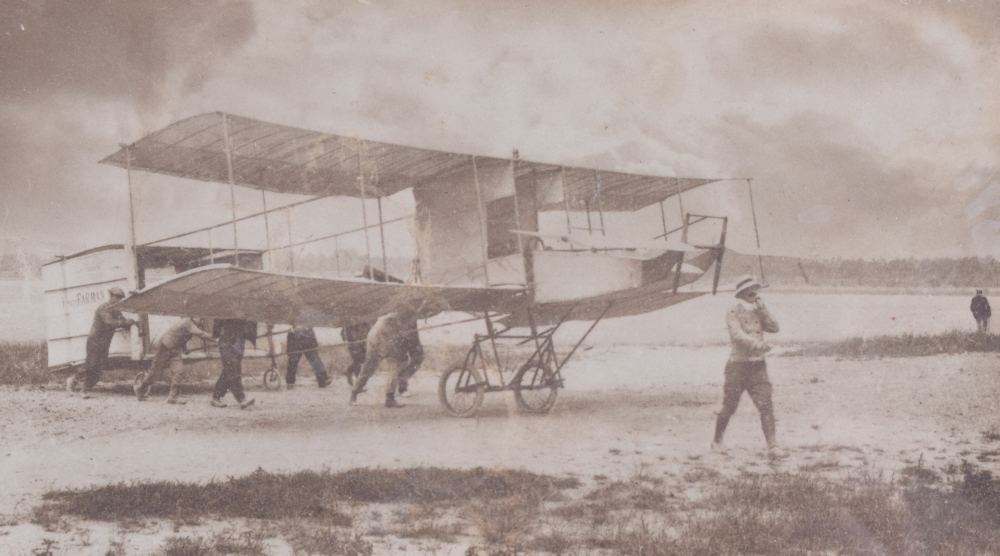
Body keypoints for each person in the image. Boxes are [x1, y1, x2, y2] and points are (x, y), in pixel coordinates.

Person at [712, 275, 783, 457]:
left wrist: (764, 310)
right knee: (729, 407)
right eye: (751, 291)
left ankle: (772, 447)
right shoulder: (734, 312)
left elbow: (775, 328)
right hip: (738, 367)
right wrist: (757, 344)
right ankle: (717, 441)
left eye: (756, 291)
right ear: (742, 294)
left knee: (766, 405)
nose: (755, 294)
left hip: (758, 366)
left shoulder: (758, 312)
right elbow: (737, 335)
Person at [349, 297, 424, 409]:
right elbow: (398, 335)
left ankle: (389, 398)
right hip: (378, 339)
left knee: (392, 369)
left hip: (387, 339)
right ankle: (355, 393)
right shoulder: (394, 317)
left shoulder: (405, 315)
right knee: (370, 368)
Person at [69, 287, 137, 399]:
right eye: (117, 298)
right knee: (91, 365)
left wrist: (133, 323)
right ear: (111, 297)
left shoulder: (116, 310)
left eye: (120, 298)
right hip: (95, 340)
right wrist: (125, 322)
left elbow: (122, 322)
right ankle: (72, 382)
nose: (119, 300)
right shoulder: (104, 307)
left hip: (104, 342)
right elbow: (109, 322)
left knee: (99, 368)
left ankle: (85, 389)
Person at [135, 317, 215, 404]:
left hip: (176, 350)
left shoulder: (191, 325)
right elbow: (201, 334)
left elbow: (182, 338)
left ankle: (173, 397)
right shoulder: (188, 322)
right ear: (194, 317)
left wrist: (185, 349)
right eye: (201, 319)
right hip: (165, 347)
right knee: (155, 373)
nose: (202, 321)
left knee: (179, 371)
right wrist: (215, 339)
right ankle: (140, 389)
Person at [211, 319, 258, 409]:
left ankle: (215, 397)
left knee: (229, 370)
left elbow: (252, 320)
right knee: (232, 367)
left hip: (239, 340)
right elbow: (219, 316)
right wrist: (216, 334)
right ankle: (241, 398)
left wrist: (252, 338)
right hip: (227, 338)